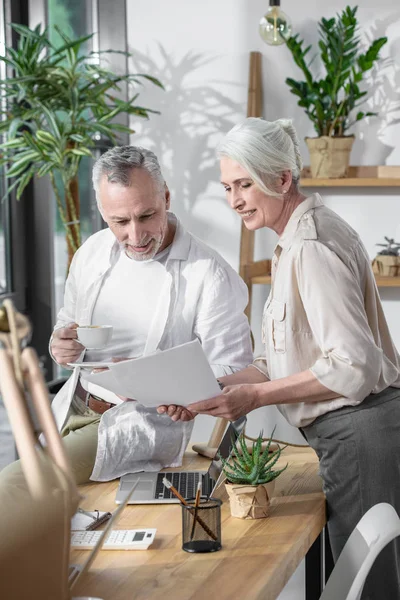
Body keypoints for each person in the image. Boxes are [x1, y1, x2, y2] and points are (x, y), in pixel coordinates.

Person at [159, 118, 400, 600]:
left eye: (245, 184)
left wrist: (254, 398)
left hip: (357, 429)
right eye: (228, 186)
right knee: (360, 578)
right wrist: (215, 392)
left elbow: (354, 364)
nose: (234, 200)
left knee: (366, 586)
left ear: (283, 179)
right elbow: (277, 361)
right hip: (353, 431)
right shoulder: (293, 240)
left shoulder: (310, 246)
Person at [0, 145, 253, 485]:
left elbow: (236, 368)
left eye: (146, 215)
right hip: (71, 406)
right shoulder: (91, 253)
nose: (135, 236)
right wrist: (60, 345)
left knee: (22, 486)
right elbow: (67, 324)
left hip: (135, 423)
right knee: (41, 510)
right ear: (103, 211)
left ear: (165, 197)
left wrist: (149, 381)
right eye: (120, 221)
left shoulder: (208, 273)